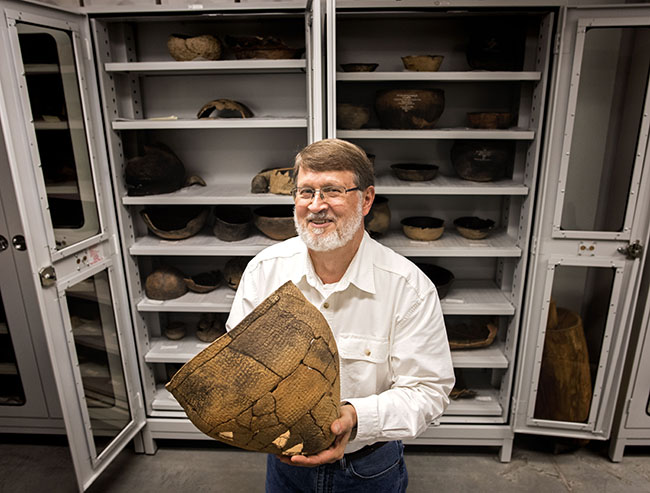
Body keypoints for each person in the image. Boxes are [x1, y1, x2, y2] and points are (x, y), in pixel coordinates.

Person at [226, 138, 454, 492]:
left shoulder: (408, 287)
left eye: (332, 191)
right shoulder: (264, 272)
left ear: (366, 200)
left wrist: (355, 417)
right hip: (285, 465)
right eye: (305, 192)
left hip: (369, 467)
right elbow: (238, 364)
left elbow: (428, 391)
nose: (316, 207)